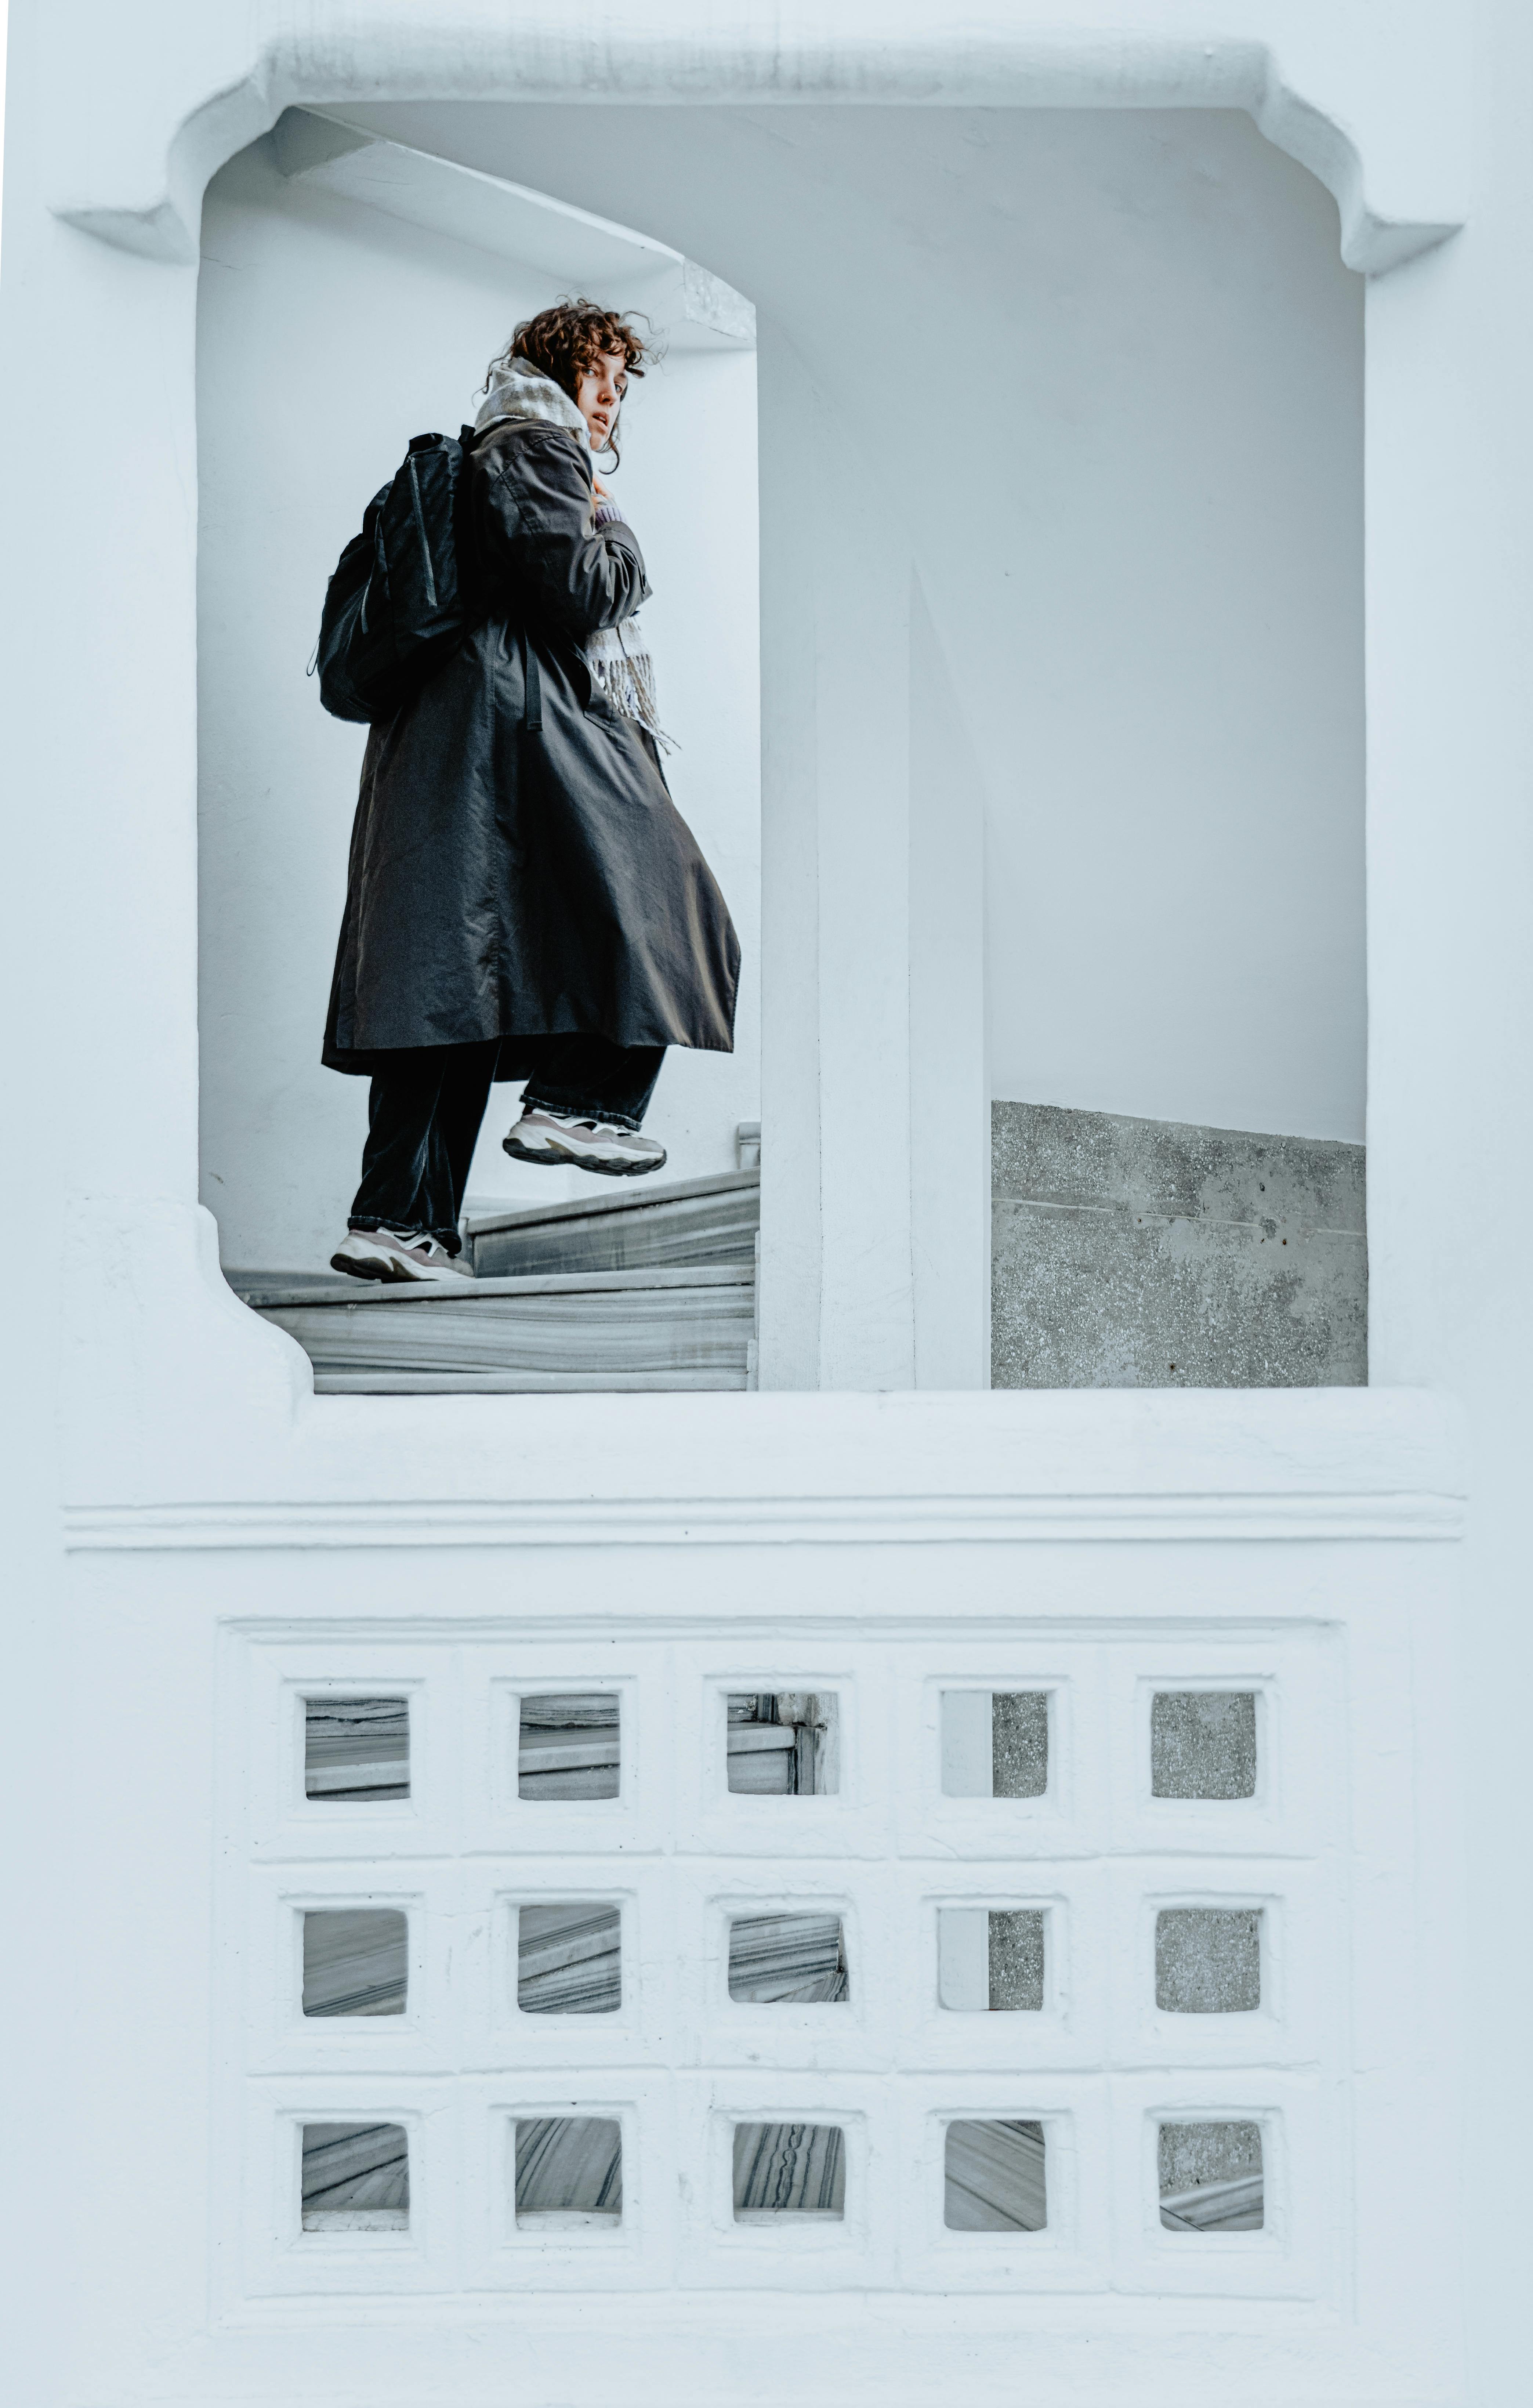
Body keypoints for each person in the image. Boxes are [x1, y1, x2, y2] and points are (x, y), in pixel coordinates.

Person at [323, 299, 740, 1283]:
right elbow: (584, 592)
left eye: (621, 383)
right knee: (669, 895)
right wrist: (619, 526)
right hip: (515, 725)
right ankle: (581, 1100)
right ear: (557, 368)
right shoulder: (533, 444)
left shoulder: (488, 447)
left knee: (450, 987)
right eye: (598, 374)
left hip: (442, 737)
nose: (609, 399)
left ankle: (400, 1226)